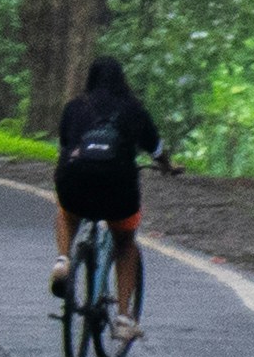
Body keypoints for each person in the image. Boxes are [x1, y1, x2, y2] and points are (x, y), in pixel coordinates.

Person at [50, 47, 168, 329]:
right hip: (118, 192)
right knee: (125, 242)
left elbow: (66, 145)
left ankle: (63, 259)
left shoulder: (75, 107)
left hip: (75, 186)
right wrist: (166, 166)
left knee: (67, 213)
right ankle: (125, 317)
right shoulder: (134, 110)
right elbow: (157, 149)